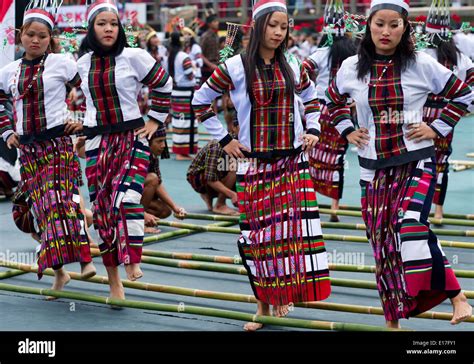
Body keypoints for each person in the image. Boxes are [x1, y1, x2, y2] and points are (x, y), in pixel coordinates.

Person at [325, 0, 473, 328]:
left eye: (394, 24)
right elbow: (330, 103)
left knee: (410, 226)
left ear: (405, 27)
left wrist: (435, 127)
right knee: (382, 244)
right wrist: (348, 130)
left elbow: (464, 95)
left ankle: (457, 296)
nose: (386, 31)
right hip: (372, 167)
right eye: (380, 24)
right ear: (369, 25)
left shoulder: (421, 64)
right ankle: (393, 321)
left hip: (417, 160)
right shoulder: (350, 67)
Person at [193, 0, 331, 331]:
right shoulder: (235, 67)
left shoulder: (293, 65)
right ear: (258, 27)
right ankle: (262, 305)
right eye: (272, 25)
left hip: (291, 162)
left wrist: (312, 128)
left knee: (288, 235)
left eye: (283, 27)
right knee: (256, 237)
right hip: (254, 163)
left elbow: (313, 99)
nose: (278, 32)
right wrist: (225, 139)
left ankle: (280, 295)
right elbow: (199, 101)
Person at [77, 0, 172, 300]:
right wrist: (79, 131)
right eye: (101, 23)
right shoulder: (80, 63)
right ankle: (113, 279)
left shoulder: (134, 56)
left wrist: (155, 119)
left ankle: (132, 258)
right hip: (96, 143)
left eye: (113, 23)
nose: (108, 29)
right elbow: (77, 100)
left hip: (131, 138)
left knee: (128, 197)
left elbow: (164, 85)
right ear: (91, 29)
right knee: (103, 212)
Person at [0, 0, 96, 297]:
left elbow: (91, 89)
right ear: (20, 35)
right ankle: (61, 272)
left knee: (59, 202)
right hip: (28, 150)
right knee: (40, 212)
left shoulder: (62, 63)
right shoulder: (8, 71)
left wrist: (82, 121)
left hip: (57, 145)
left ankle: (85, 258)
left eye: (42, 36)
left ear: (50, 38)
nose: (36, 40)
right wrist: (6, 132)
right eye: (31, 34)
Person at [303, 0, 356, 222]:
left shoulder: (322, 52)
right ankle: (335, 207)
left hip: (321, 108)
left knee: (314, 155)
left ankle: (311, 203)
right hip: (342, 108)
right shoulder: (354, 52)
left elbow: (302, 68)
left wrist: (306, 92)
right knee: (337, 158)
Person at [422, 0, 474, 221]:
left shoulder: (421, 54)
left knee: (418, 161)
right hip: (446, 116)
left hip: (421, 115)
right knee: (440, 162)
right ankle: (438, 210)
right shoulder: (459, 57)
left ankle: (419, 208)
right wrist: (463, 108)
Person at [187, 118, 239, 216]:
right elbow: (210, 178)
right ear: (234, 128)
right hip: (198, 177)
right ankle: (220, 204)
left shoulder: (248, 143)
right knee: (234, 166)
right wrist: (233, 195)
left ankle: (208, 195)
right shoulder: (218, 145)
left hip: (217, 174)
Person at [142, 123, 187, 233]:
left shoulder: (153, 157)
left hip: (136, 198)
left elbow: (157, 184)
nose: (163, 145)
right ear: (148, 142)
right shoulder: (138, 155)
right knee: (152, 178)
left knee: (165, 210)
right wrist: (141, 214)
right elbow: (125, 191)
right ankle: (136, 222)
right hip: (120, 200)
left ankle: (140, 217)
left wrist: (174, 207)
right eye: (159, 141)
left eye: (164, 141)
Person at [167, 32, 198, 160]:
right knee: (185, 121)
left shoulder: (172, 56)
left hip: (177, 92)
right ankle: (181, 152)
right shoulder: (184, 56)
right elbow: (190, 74)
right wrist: (195, 69)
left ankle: (181, 150)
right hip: (186, 92)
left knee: (180, 121)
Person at [200, 11, 220, 84]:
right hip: (208, 69)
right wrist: (211, 65)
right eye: (215, 21)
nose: (217, 23)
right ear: (209, 24)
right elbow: (200, 54)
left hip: (216, 67)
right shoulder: (205, 36)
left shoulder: (216, 35)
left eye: (217, 21)